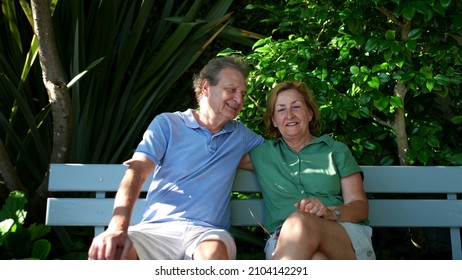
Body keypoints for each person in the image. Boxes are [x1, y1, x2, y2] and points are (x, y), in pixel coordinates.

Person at [87, 56, 264, 260]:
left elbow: (280, 157)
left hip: (207, 234)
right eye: (231, 90)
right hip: (156, 231)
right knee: (114, 254)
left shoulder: (240, 136)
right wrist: (117, 228)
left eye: (242, 93)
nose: (239, 100)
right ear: (206, 87)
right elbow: (137, 170)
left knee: (213, 256)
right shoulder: (167, 124)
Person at [239, 81, 376, 260]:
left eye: (296, 107)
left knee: (301, 221)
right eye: (281, 110)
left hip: (342, 236)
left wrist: (330, 212)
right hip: (285, 243)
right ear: (273, 120)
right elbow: (215, 156)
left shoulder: (335, 151)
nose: (289, 115)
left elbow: (360, 207)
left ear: (309, 113)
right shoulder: (263, 155)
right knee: (317, 261)